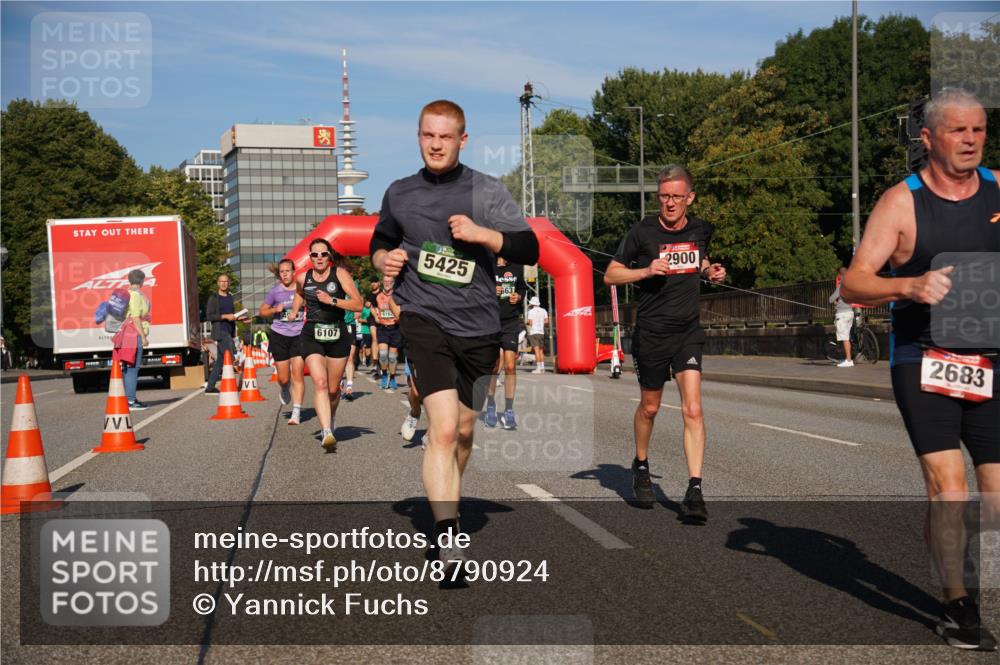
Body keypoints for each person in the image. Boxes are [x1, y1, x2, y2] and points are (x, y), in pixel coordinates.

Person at [841, 88, 999, 651]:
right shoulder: (901, 202)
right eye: (958, 131)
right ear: (928, 138)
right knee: (948, 486)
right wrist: (908, 284)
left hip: (989, 357)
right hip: (925, 358)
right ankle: (958, 603)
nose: (971, 140)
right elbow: (854, 281)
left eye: (979, 129)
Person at [371, 99, 539, 573]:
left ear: (463, 140)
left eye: (446, 137)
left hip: (481, 327)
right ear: (419, 136)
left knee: (464, 433)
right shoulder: (399, 193)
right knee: (442, 430)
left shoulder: (486, 191)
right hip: (423, 319)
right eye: (428, 135)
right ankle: (447, 538)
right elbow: (379, 242)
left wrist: (485, 236)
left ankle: (450, 498)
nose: (436, 144)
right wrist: (385, 262)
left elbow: (529, 246)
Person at [604, 164, 726, 521]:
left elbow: (700, 259)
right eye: (663, 196)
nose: (669, 203)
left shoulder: (701, 229)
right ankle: (640, 465)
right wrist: (644, 271)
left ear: (690, 197)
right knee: (651, 408)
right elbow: (611, 274)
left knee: (693, 409)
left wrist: (710, 272)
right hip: (652, 332)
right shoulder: (641, 232)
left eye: (676, 196)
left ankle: (695, 489)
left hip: (688, 332)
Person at [289, 238, 363, 450]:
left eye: (323, 254)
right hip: (312, 333)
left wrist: (331, 300)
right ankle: (326, 432)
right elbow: (298, 294)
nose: (319, 258)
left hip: (337, 333)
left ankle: (331, 417)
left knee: (332, 390)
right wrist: (295, 310)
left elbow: (357, 303)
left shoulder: (340, 274)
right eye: (315, 254)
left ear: (329, 256)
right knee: (319, 383)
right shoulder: (303, 278)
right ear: (309, 257)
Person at [259, 259, 306, 424]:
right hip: (279, 335)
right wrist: (274, 309)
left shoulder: (302, 290)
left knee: (298, 374)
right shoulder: (275, 292)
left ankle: (296, 412)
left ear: (294, 272)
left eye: (288, 271)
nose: (285, 274)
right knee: (284, 378)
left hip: (299, 335)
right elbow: (262, 311)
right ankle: (284, 388)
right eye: (282, 271)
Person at [485, 257, 527, 429]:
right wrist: (490, 291)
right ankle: (490, 405)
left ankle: (509, 410)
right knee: (494, 367)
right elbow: (474, 288)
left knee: (510, 366)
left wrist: (519, 296)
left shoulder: (517, 266)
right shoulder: (486, 264)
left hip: (510, 321)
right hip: (490, 321)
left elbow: (522, 287)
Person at [204, 274, 247, 393]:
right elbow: (209, 316)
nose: (224, 283)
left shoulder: (230, 298)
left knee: (220, 360)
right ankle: (230, 385)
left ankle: (210, 387)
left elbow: (231, 317)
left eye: (226, 282)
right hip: (220, 331)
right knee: (231, 355)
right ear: (218, 283)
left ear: (229, 284)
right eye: (221, 281)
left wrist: (241, 318)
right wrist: (225, 316)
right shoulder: (214, 298)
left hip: (229, 330)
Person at [122, 269, 150, 410]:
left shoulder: (127, 293)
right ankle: (131, 401)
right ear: (142, 281)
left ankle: (128, 398)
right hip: (133, 336)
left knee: (127, 368)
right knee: (133, 368)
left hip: (126, 335)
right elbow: (135, 317)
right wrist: (143, 337)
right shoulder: (136, 295)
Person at [374, 275, 402, 392]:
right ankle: (384, 375)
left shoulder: (398, 295)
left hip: (395, 328)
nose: (387, 283)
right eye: (385, 281)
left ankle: (393, 377)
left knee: (392, 357)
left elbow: (402, 310)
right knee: (383, 354)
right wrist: (376, 316)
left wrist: (398, 317)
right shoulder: (378, 296)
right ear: (382, 282)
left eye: (389, 281)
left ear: (393, 283)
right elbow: (373, 307)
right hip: (382, 328)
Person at [829, 267, 856, 367]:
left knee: (844, 337)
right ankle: (847, 358)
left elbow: (831, 299)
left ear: (840, 275)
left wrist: (836, 302)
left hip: (842, 314)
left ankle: (848, 360)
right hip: (849, 312)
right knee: (847, 337)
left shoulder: (841, 286)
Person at [525, 296, 548, 373]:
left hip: (534, 332)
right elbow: (546, 321)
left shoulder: (531, 311)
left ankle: (538, 368)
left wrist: (527, 323)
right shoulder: (543, 310)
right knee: (541, 351)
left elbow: (530, 323)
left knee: (536, 351)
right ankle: (542, 367)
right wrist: (540, 323)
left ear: (532, 304)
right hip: (541, 332)